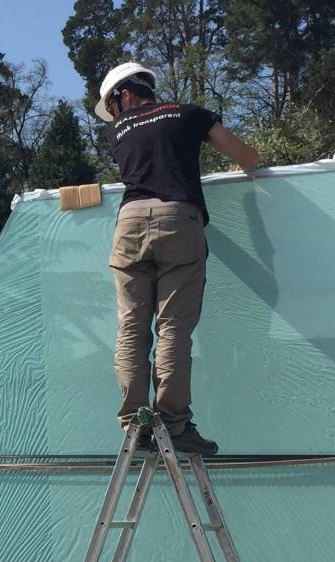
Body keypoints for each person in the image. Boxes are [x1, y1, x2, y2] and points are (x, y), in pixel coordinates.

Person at [94, 61, 260, 455]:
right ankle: (173, 424)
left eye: (112, 105)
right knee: (173, 328)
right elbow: (246, 156)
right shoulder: (187, 114)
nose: (114, 114)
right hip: (177, 220)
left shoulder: (118, 133)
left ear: (125, 95)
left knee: (132, 328)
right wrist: (246, 166)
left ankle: (135, 426)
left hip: (129, 224)